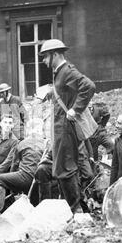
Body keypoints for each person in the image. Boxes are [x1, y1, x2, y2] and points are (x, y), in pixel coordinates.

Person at [40, 39, 96, 213]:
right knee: (61, 166)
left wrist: (75, 110)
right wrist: (51, 93)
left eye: (45, 56)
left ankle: (76, 209)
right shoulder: (59, 72)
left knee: (64, 167)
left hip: (65, 128)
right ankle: (73, 207)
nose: (44, 60)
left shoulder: (67, 70)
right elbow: (64, 91)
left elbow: (89, 86)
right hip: (59, 128)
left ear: (55, 54)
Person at [0, 118, 46, 212]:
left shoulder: (22, 143)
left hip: (26, 177)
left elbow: (14, 165)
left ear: (28, 130)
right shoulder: (46, 144)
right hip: (42, 180)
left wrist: (13, 186)